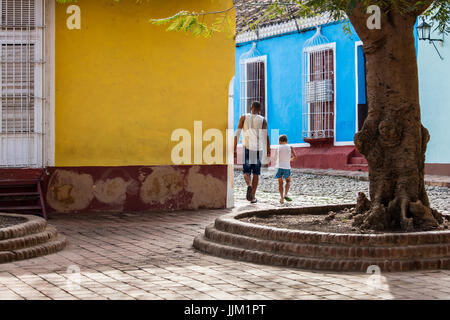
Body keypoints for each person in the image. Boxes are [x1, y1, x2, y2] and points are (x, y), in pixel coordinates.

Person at [234, 101, 270, 203]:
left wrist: (234, 148)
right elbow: (266, 135)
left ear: (251, 107)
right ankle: (253, 197)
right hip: (258, 149)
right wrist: (268, 149)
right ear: (259, 110)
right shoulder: (263, 120)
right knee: (256, 173)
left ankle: (249, 185)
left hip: (247, 147)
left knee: (246, 172)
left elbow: (237, 133)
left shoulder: (243, 117)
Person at [273, 134, 296, 204]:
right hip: (287, 167)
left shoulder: (277, 147)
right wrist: (288, 160)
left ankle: (282, 198)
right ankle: (286, 194)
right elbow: (295, 157)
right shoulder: (290, 147)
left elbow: (274, 158)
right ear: (287, 141)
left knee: (280, 183)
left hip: (279, 167)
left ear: (279, 141)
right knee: (288, 181)